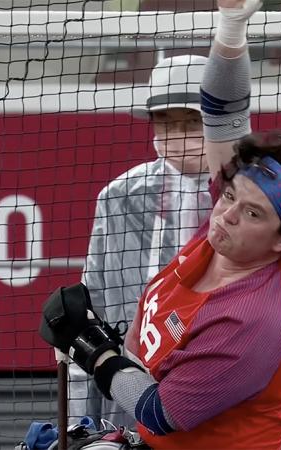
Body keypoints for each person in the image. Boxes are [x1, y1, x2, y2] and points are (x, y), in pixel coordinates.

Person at [40, 0, 281, 447]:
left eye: (251, 213)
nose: (224, 214)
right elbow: (225, 110)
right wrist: (230, 29)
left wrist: (91, 347)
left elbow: (159, 411)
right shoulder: (235, 231)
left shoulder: (251, 319)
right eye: (228, 195)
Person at [70, 54, 214, 426]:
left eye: (190, 122)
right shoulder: (119, 196)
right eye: (165, 124)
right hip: (129, 390)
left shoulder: (250, 197)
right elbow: (94, 306)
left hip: (219, 389)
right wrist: (82, 423)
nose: (176, 136)